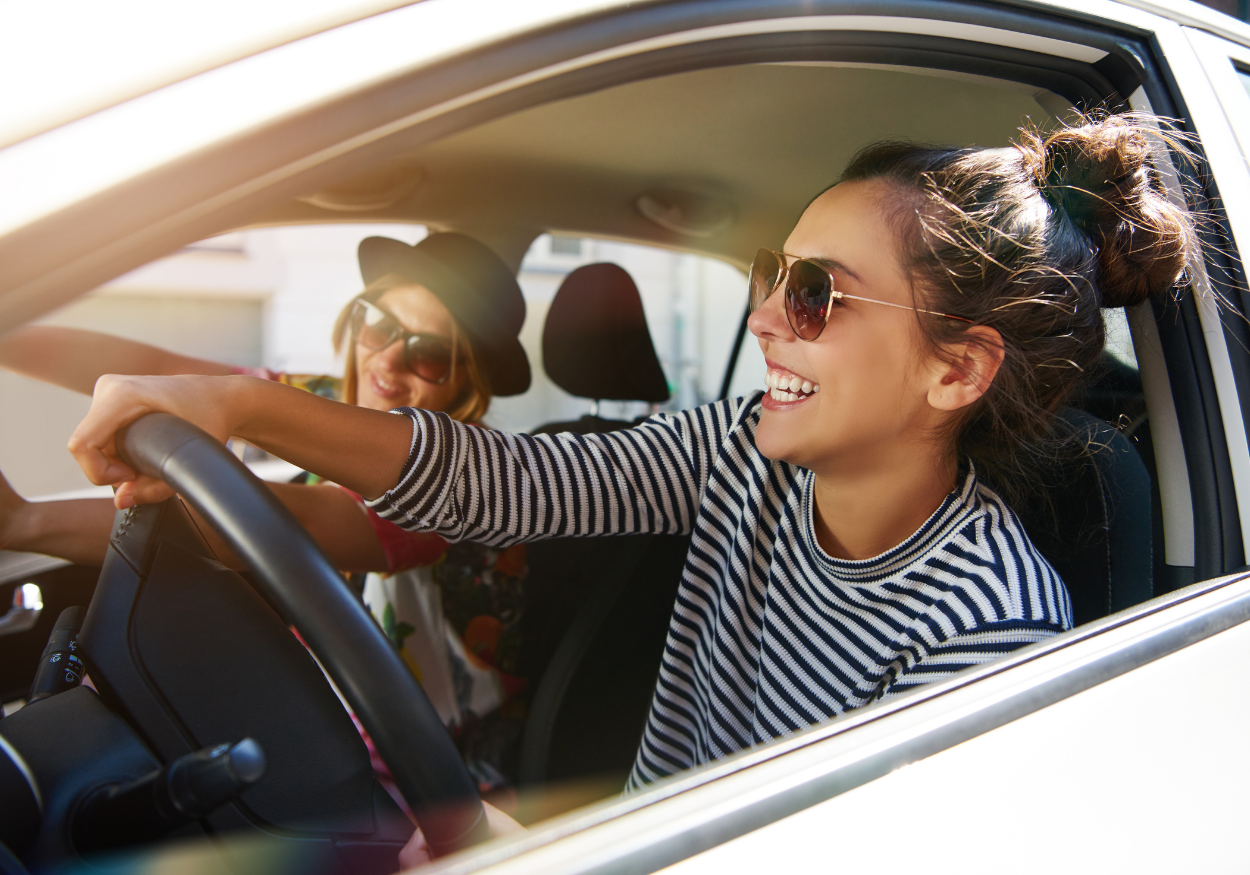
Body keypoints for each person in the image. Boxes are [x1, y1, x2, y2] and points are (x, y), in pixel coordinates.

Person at [65, 112, 1197, 807]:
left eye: (814, 293)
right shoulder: (739, 452)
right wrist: (229, 403)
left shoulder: (988, 627)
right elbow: (503, 480)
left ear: (954, 370)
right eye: (768, 272)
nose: (763, 319)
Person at [0, 232, 538, 798]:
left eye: (429, 354)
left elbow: (293, 525)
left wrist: (25, 523)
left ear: (467, 382)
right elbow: (161, 372)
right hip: (322, 723)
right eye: (379, 325)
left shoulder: (466, 474)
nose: (387, 360)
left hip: (429, 782)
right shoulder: (329, 400)